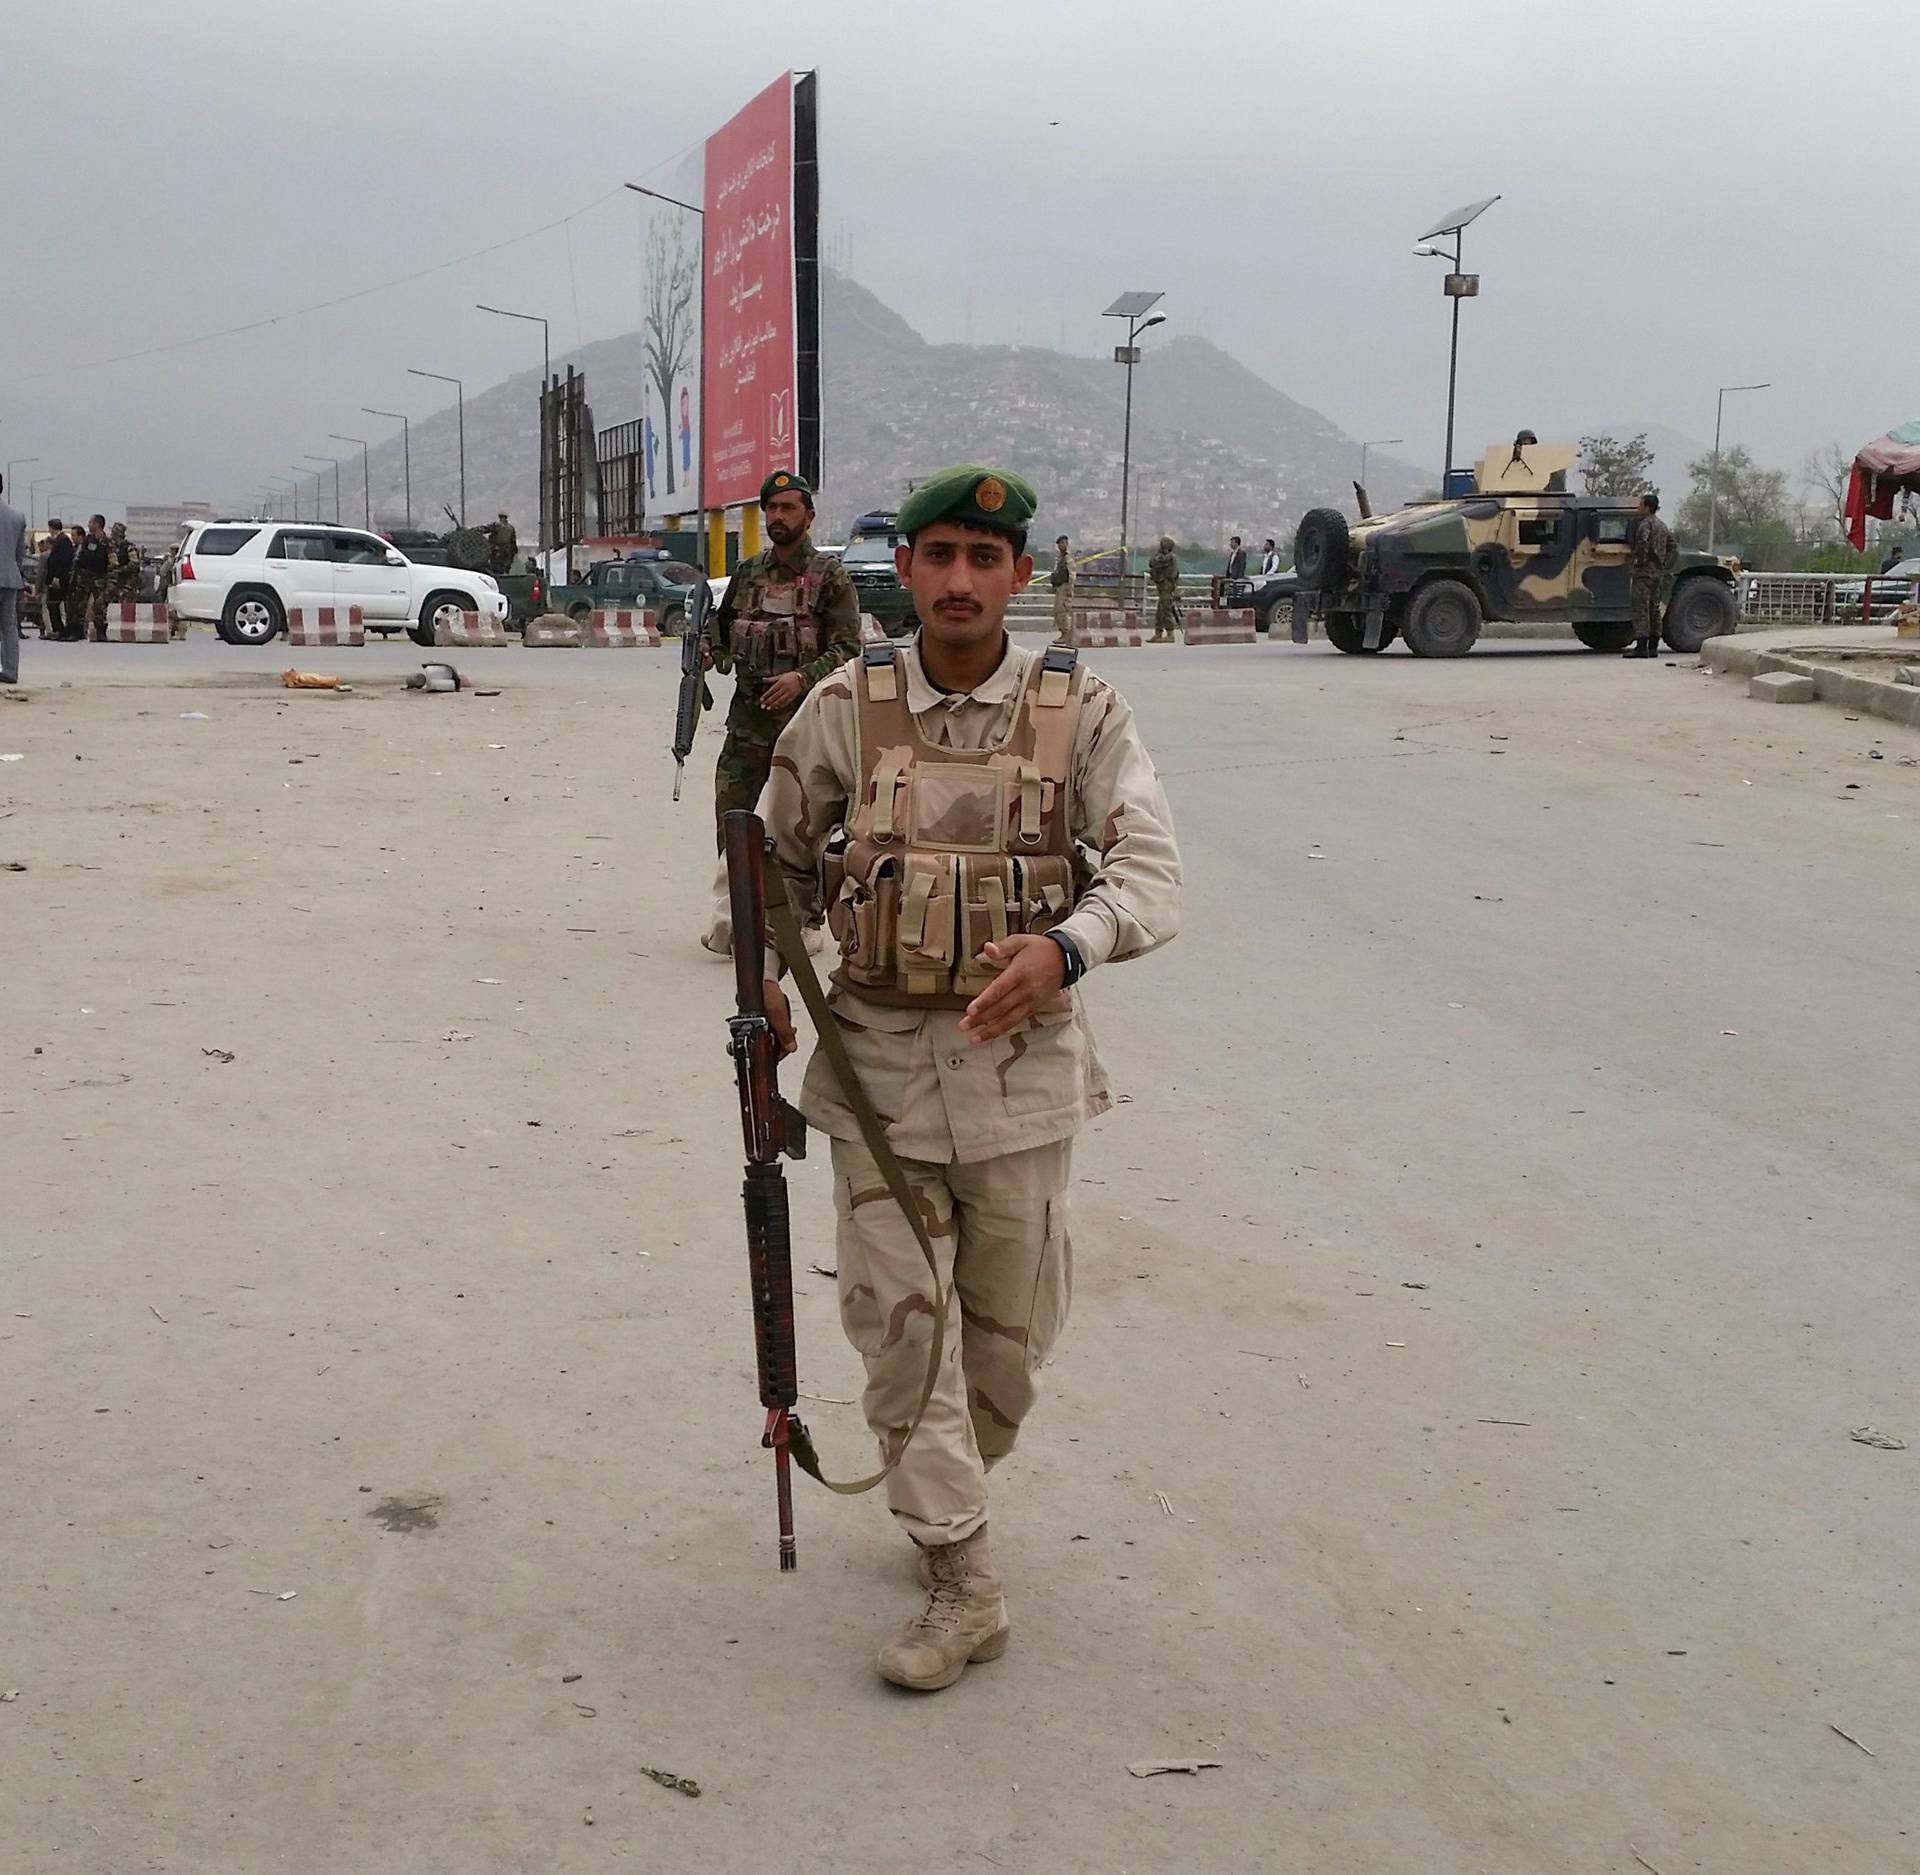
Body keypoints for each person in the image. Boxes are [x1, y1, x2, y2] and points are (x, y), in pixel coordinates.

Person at [755, 463, 1181, 1692]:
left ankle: (945, 1481)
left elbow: (1150, 876)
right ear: (906, 569)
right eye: (937, 556)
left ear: (1018, 576)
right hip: (877, 1070)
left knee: (1005, 1352)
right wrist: (772, 981)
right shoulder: (849, 703)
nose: (957, 580)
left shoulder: (1083, 712)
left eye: (982, 560)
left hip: (1022, 1076)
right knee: (904, 1333)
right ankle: (961, 1574)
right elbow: (772, 851)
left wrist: (1065, 946)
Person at [699, 469, 861, 951]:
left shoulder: (829, 577)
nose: (777, 516)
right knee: (733, 815)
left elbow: (849, 648)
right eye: (771, 507)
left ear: (808, 517)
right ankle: (735, 917)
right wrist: (709, 652)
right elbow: (721, 632)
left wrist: (801, 679)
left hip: (807, 723)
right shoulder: (748, 573)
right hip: (748, 722)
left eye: (788, 508)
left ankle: (804, 921)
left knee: (803, 825)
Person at [1626, 492, 1674, 658]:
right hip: (1657, 573)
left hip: (1644, 572)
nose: (1639, 507)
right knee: (1654, 608)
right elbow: (1672, 546)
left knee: (1640, 608)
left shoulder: (1645, 525)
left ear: (1647, 507)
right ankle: (1653, 647)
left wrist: (1640, 561)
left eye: (1641, 504)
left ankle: (1641, 647)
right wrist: (1663, 563)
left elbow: (1642, 543)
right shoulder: (1662, 525)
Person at [0, 475, 26, 685]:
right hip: (9, 578)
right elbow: (20, 554)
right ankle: (10, 671)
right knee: (9, 625)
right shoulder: (17, 516)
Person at [71, 516, 110, 642]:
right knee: (80, 604)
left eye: (90, 522)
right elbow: (79, 557)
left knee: (99, 605)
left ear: (97, 524)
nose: (88, 525)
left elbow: (111, 561)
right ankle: (79, 631)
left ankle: (100, 632)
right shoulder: (87, 540)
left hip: (99, 577)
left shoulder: (107, 542)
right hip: (84, 576)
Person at [42, 517, 74, 641]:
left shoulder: (63, 540)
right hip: (55, 578)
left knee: (53, 603)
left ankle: (60, 630)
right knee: (52, 603)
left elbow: (64, 561)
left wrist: (57, 577)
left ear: (52, 528)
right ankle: (58, 629)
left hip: (59, 579)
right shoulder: (59, 540)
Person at [103, 522, 142, 619]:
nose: (111, 534)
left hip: (127, 583)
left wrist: (121, 570)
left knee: (126, 607)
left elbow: (134, 563)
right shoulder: (111, 547)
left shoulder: (129, 547)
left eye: (113, 532)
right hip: (114, 582)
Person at [1147, 534, 1181, 641]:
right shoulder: (1160, 556)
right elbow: (1152, 563)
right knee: (1160, 611)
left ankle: (1170, 634)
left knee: (1165, 610)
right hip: (1161, 586)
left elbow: (1171, 574)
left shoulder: (1170, 558)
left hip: (1167, 586)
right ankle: (1158, 633)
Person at [1049, 532, 1073, 639]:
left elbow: (1072, 574)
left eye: (1063, 543)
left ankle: (1066, 633)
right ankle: (1063, 633)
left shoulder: (1068, 557)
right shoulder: (1061, 557)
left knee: (1063, 611)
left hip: (1065, 587)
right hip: (1060, 587)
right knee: (1058, 611)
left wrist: (1069, 588)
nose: (1061, 545)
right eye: (1060, 543)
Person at [488, 511, 517, 578]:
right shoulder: (511, 528)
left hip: (497, 550)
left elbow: (485, 529)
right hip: (506, 550)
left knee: (496, 568)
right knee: (505, 568)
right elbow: (513, 541)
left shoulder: (496, 526)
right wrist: (514, 551)